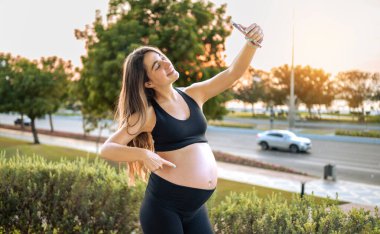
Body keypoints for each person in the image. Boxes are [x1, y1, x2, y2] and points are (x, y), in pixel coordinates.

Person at [100, 22, 264, 234]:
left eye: (162, 58)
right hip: (164, 210)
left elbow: (232, 74)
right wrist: (142, 154)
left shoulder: (194, 94)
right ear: (147, 83)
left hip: (195, 208)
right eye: (157, 66)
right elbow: (107, 148)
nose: (166, 64)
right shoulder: (148, 114)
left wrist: (252, 43)